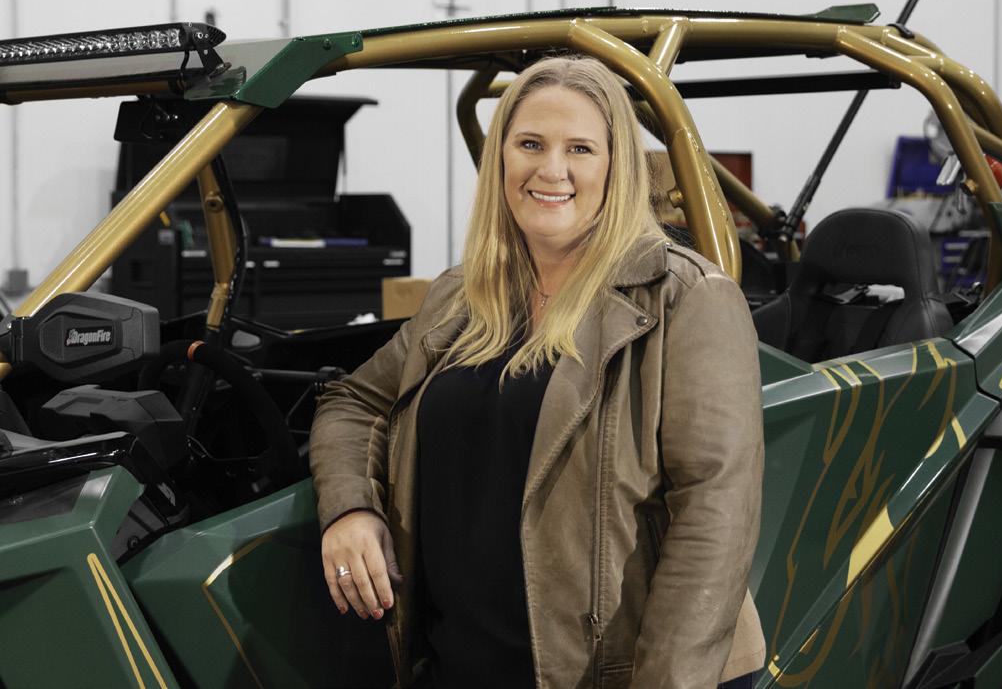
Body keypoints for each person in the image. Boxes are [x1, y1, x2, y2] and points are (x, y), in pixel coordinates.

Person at [310, 55, 765, 689]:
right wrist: (351, 509)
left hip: (620, 674)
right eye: (530, 144)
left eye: (580, 148)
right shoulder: (461, 298)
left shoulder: (686, 297)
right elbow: (353, 401)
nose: (552, 170)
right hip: (462, 664)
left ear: (618, 167)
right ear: (500, 157)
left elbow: (715, 517)